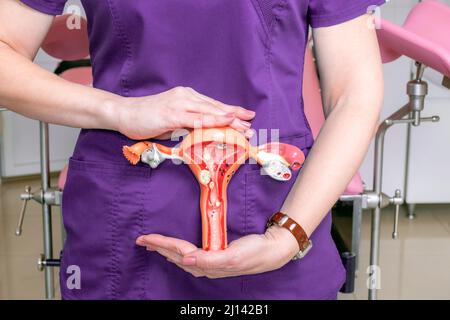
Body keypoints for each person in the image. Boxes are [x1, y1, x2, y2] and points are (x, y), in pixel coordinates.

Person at [0, 0, 385, 299]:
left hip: (278, 208)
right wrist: (120, 109)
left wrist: (287, 235)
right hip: (128, 217)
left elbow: (354, 92)